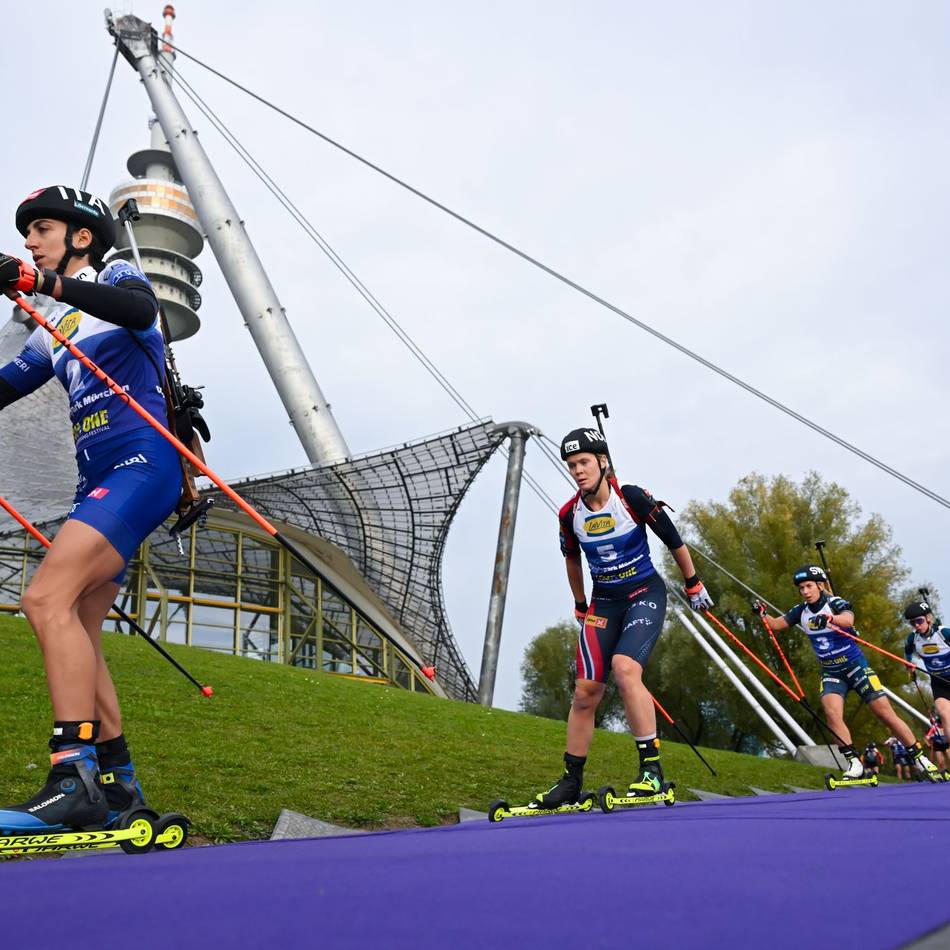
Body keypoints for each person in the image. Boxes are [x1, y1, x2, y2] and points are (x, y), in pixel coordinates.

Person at [0, 186, 182, 834]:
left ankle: (70, 773)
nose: (28, 240)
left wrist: (38, 280)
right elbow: (9, 382)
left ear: (80, 236)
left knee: (43, 599)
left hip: (142, 464)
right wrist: (40, 289)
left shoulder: (113, 278)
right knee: (72, 615)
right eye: (25, 235)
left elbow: (140, 309)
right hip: (100, 478)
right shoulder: (53, 326)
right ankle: (117, 783)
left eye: (41, 228)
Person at [532, 427, 714, 809]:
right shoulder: (570, 514)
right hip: (605, 603)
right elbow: (571, 558)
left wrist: (693, 584)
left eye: (583, 462)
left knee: (625, 668)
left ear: (602, 461)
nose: (578, 471)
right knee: (585, 692)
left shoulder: (630, 497)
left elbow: (674, 538)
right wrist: (580, 603)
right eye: (571, 465)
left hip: (644, 592)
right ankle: (570, 781)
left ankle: (651, 772)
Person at [755, 566, 942, 783]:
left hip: (855, 666)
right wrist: (762, 614)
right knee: (832, 713)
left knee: (885, 714)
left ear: (820, 585)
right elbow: (778, 624)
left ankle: (920, 758)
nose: (805, 591)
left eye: (808, 586)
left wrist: (829, 619)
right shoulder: (801, 611)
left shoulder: (835, 603)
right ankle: (854, 763)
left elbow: (848, 619)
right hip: (831, 671)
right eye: (801, 588)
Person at [902, 601, 950, 777]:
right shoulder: (913, 639)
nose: (917, 625)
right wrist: (910, 666)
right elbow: (907, 653)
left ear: (929, 618)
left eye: (920, 621)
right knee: (944, 715)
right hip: (939, 683)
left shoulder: (944, 633)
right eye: (913, 622)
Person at [925, 709, 949, 775]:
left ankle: (946, 770)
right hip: (937, 745)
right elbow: (926, 738)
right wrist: (929, 745)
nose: (941, 725)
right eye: (940, 723)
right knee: (941, 761)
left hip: (946, 744)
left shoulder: (946, 727)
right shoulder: (934, 728)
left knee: (948, 756)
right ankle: (944, 772)